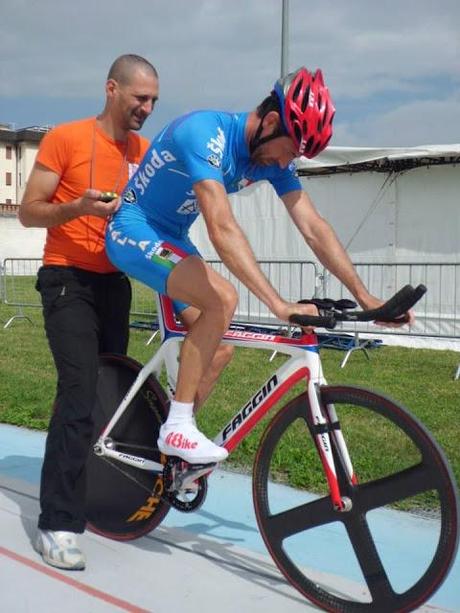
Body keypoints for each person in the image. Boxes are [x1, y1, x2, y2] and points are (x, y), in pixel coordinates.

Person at [106, 66, 412, 467]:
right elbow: (221, 225)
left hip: (172, 239)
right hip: (134, 230)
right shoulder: (204, 133)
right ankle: (176, 425)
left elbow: (314, 227)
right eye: (292, 147)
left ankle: (168, 449)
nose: (290, 159)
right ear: (270, 122)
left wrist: (365, 296)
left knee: (219, 350)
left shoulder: (270, 161)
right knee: (223, 300)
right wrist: (279, 304)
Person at [19, 54, 159, 570]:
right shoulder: (66, 138)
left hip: (114, 284)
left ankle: (94, 498)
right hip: (65, 280)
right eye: (139, 98)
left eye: (153, 102)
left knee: (106, 398)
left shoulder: (144, 152)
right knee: (78, 392)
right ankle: (56, 521)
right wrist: (76, 208)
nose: (146, 109)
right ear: (111, 89)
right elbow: (28, 211)